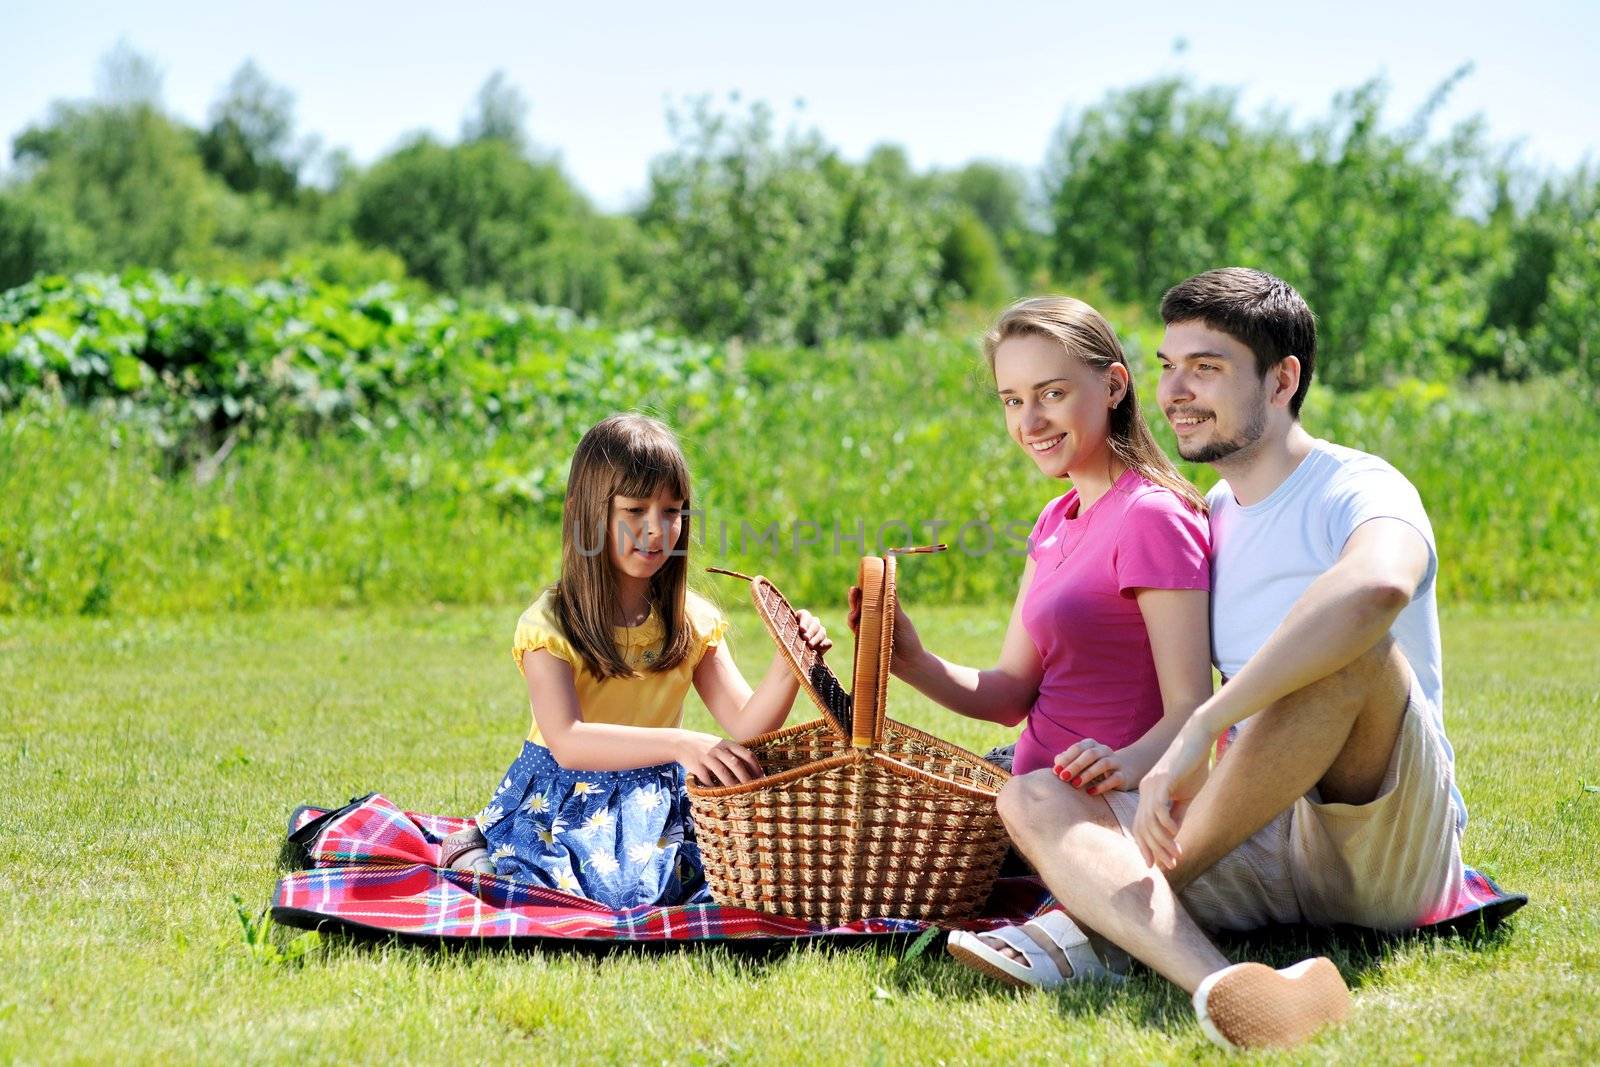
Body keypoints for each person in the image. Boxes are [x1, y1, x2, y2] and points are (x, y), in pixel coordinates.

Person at [987, 268, 1467, 1051]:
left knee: (1352, 654)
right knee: (1031, 799)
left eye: (1205, 367)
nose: (1174, 389)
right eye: (1169, 365)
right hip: (1260, 837)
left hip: (1378, 838)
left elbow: (1379, 585)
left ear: (1282, 380)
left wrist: (1204, 723)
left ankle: (1089, 920)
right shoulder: (1208, 513)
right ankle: (1224, 981)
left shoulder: (1356, 485)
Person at [846, 296, 1213, 982]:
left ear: (1113, 384)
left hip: (1103, 809)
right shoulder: (1055, 519)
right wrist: (911, 660)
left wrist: (1129, 763)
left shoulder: (1154, 517)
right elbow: (1012, 691)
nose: (1030, 421)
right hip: (1032, 789)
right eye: (1012, 400)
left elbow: (1195, 707)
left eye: (1051, 393)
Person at [441, 412, 831, 909]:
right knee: (591, 894)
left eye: (672, 511)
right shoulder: (550, 625)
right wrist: (680, 742)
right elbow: (567, 741)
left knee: (728, 881)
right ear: (589, 514)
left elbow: (747, 723)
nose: (656, 529)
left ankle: (486, 854)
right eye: (634, 510)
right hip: (566, 796)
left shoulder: (692, 619)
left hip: (659, 800)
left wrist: (789, 662)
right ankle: (473, 853)